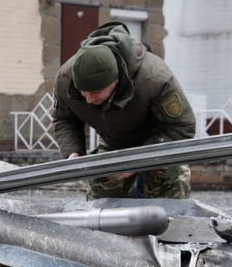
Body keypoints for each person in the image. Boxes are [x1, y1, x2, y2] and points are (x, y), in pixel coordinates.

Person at [51, 21, 195, 199]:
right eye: (83, 93)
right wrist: (73, 153)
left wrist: (138, 160)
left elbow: (182, 127)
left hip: (159, 146)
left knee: (171, 196)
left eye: (95, 92)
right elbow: (64, 118)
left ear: (116, 81)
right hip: (114, 144)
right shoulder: (66, 79)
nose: (88, 99)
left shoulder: (156, 78)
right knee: (98, 205)